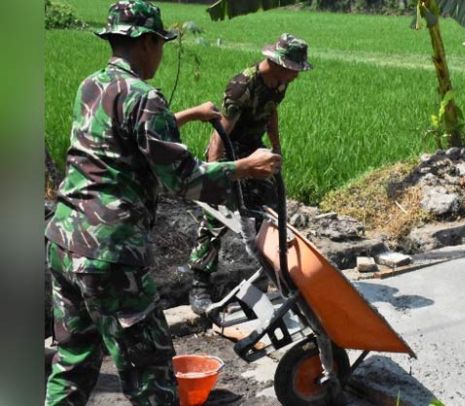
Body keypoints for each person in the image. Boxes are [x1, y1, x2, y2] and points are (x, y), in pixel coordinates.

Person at [44, 1, 281, 404]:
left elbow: (123, 143)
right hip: (111, 254)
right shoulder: (145, 97)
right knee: (151, 374)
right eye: (161, 44)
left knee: (72, 361)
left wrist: (187, 116)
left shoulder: (91, 85)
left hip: (64, 242)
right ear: (147, 43)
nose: (161, 53)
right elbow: (183, 180)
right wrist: (244, 166)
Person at [187, 33, 312, 315]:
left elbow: (271, 113)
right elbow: (220, 133)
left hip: (256, 150)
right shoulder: (242, 86)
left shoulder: (279, 84)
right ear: (280, 63)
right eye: (295, 70)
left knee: (270, 212)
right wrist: (213, 175)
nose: (296, 76)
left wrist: (276, 146)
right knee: (215, 218)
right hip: (230, 151)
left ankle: (266, 280)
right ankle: (200, 284)